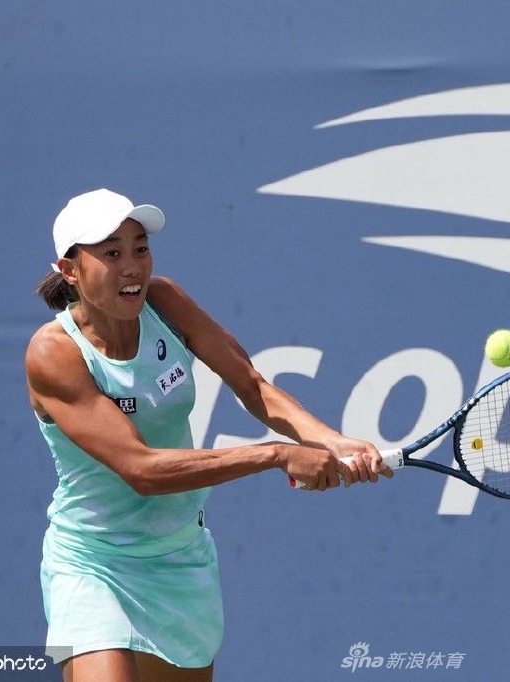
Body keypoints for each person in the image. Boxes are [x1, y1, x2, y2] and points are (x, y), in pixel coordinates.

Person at [25, 188, 392, 682]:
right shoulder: (53, 354)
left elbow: (252, 385)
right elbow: (142, 470)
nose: (132, 267)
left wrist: (331, 440)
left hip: (180, 559)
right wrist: (276, 455)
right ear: (70, 270)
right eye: (111, 253)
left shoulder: (166, 303)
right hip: (93, 563)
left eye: (140, 248)